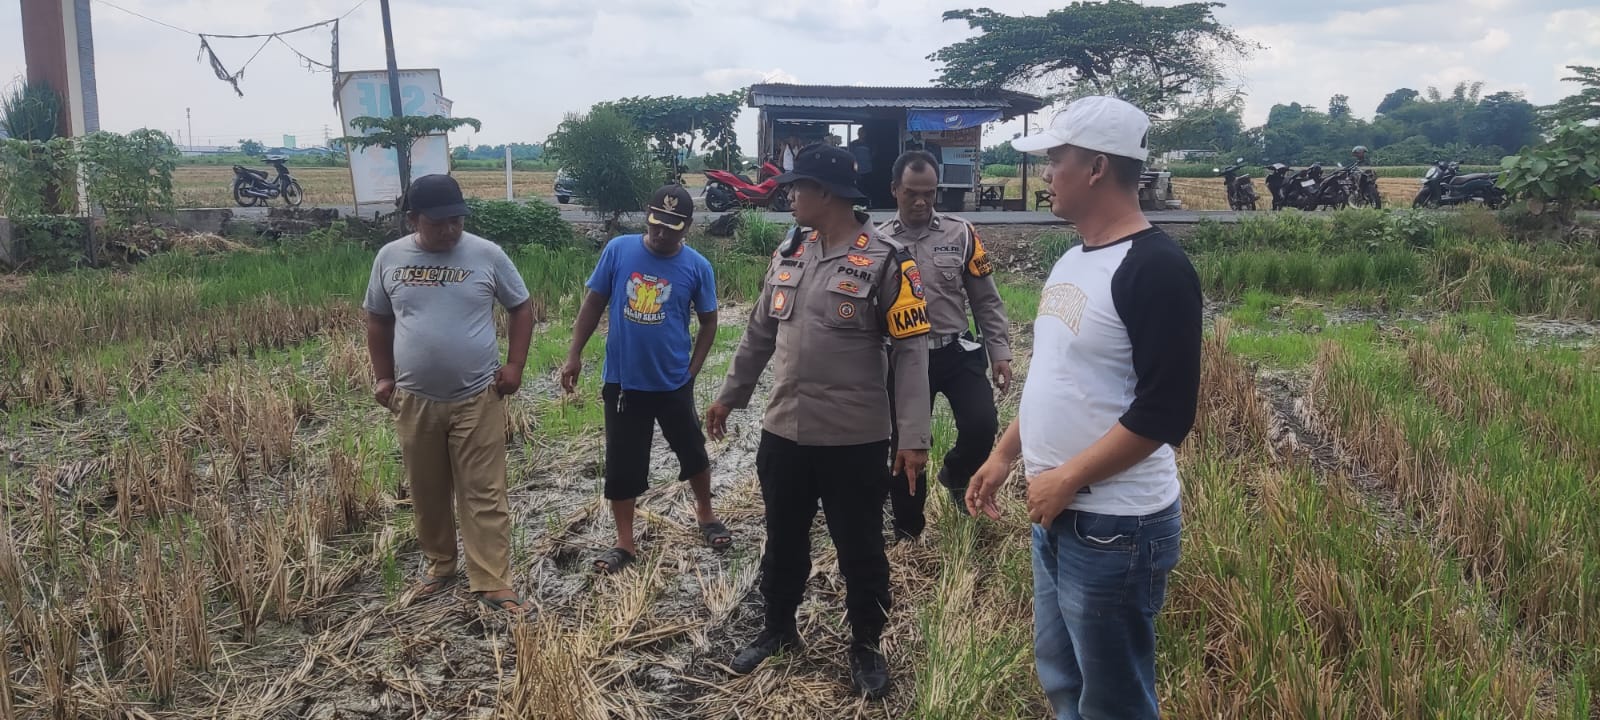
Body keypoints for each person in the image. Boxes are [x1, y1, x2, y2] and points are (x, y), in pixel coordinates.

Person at [966, 97, 1202, 719]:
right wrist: (1004, 454)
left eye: (1055, 159)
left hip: (1115, 528)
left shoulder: (1156, 268)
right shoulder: (1073, 259)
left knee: (1116, 699)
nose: (1046, 174)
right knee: (1063, 679)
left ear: (1096, 168)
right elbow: (1055, 378)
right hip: (1059, 509)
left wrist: (1066, 478)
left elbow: (1166, 413)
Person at [706, 143, 933, 699]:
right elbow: (759, 335)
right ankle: (778, 628)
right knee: (782, 540)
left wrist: (914, 438)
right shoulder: (789, 252)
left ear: (825, 194)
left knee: (860, 546)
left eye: (797, 186)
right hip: (784, 432)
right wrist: (729, 397)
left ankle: (865, 646)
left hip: (854, 439)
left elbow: (911, 352)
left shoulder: (887, 260)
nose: (788, 194)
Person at [364, 174, 534, 613]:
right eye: (439, 221)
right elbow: (378, 320)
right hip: (415, 400)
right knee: (427, 490)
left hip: (478, 396)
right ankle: (440, 565)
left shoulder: (486, 254)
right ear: (412, 219)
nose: (450, 229)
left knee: (484, 491)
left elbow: (521, 307)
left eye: (456, 219)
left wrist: (514, 365)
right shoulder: (390, 257)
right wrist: (383, 378)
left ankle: (492, 579)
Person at [560, 185, 729, 574]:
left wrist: (692, 371)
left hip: (672, 382)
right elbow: (592, 304)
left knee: (692, 451)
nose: (661, 234)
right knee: (623, 465)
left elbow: (709, 322)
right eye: (655, 225)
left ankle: (705, 514)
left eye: (671, 228)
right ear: (647, 217)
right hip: (623, 384)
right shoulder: (619, 250)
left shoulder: (697, 267)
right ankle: (624, 542)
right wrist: (574, 354)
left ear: (686, 227)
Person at [879, 150, 1012, 540]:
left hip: (956, 351)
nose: (921, 201)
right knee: (905, 446)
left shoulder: (962, 233)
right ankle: (908, 529)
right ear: (894, 191)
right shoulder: (877, 242)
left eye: (929, 193)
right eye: (911, 193)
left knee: (982, 424)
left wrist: (999, 351)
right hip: (902, 357)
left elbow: (986, 299)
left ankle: (955, 473)